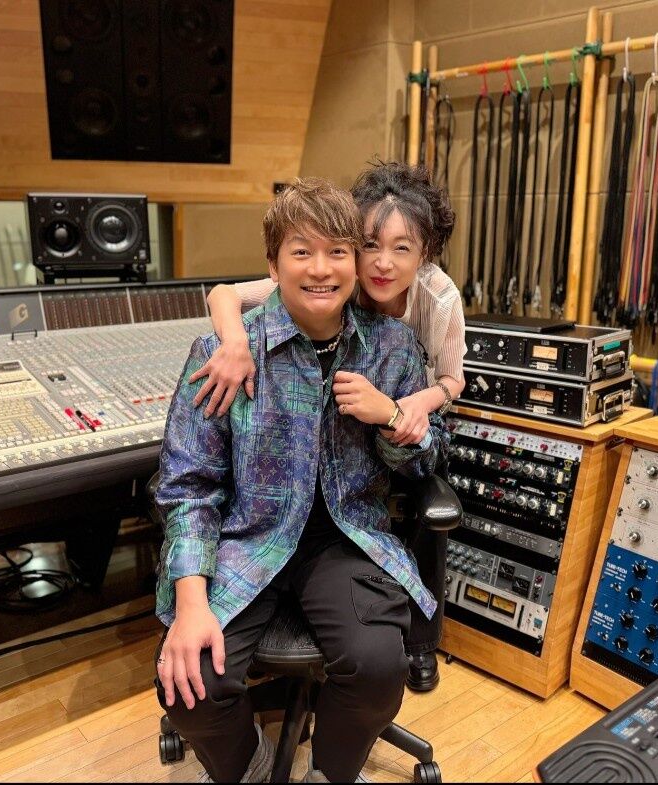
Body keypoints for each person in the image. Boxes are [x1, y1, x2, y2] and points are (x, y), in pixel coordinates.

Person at [154, 177, 442, 783]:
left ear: (355, 264)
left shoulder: (393, 348)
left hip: (347, 541)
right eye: (301, 251)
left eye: (337, 251)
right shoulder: (225, 352)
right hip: (246, 540)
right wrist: (191, 604)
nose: (320, 268)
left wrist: (390, 417)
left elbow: (426, 463)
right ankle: (252, 769)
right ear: (273, 264)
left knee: (379, 669)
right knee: (190, 685)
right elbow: (188, 486)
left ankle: (329, 775)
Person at [192, 161, 464, 692]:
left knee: (423, 491)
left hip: (411, 417)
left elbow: (453, 381)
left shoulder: (434, 304)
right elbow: (226, 293)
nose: (382, 262)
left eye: (402, 248)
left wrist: (399, 410)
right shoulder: (329, 276)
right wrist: (235, 341)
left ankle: (416, 640)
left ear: (425, 254)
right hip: (272, 518)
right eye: (369, 245)